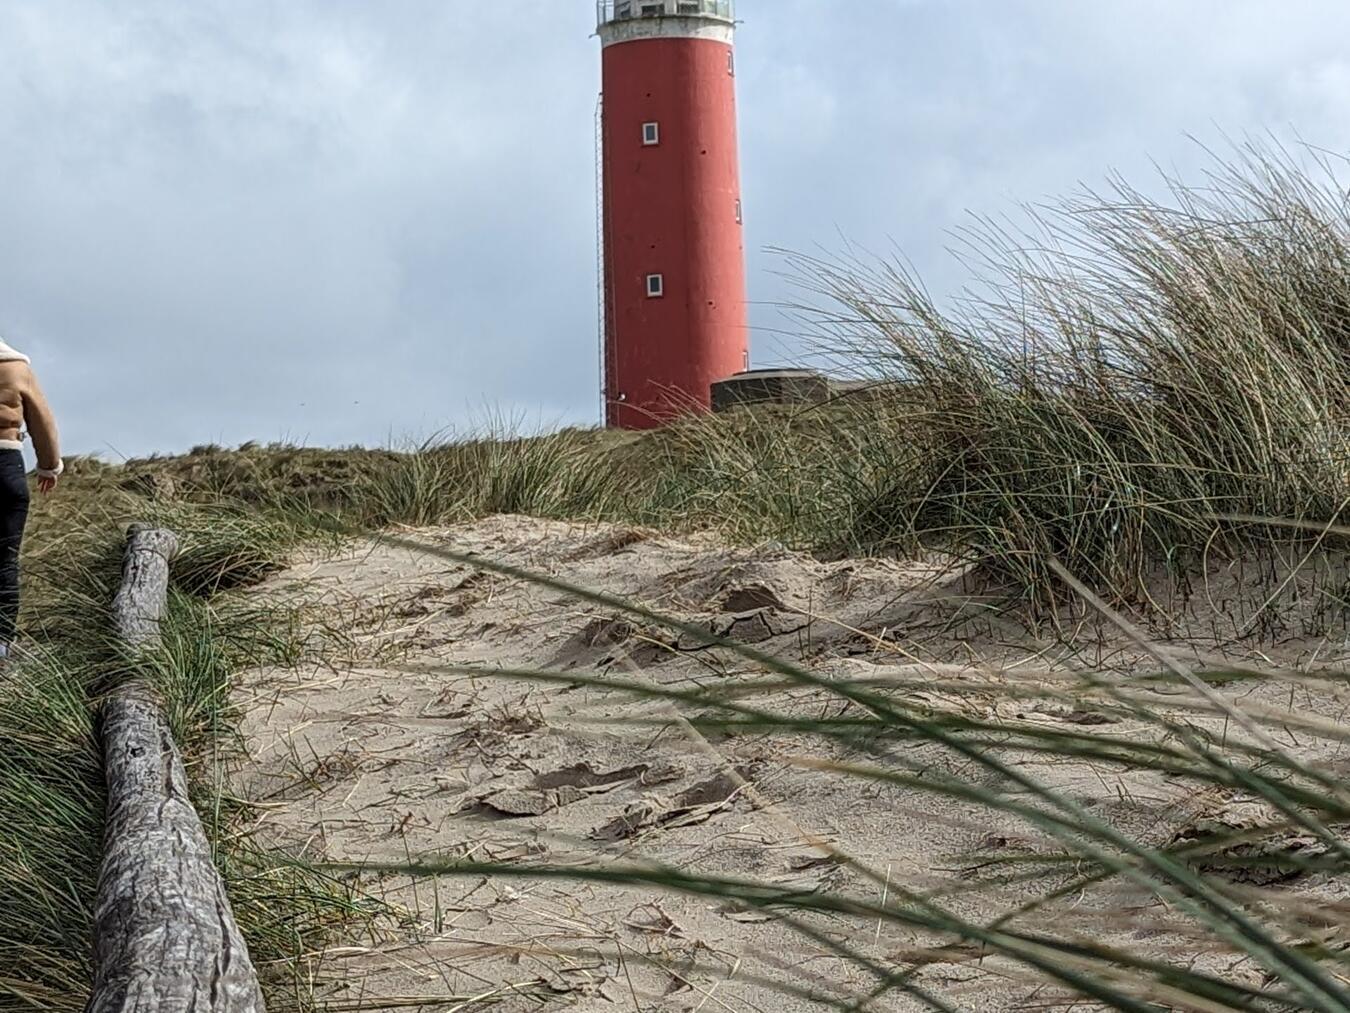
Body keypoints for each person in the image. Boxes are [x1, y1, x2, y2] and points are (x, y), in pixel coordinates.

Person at [0, 338, 60, 659]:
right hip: (8, 470)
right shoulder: (17, 368)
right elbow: (42, 420)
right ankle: (1, 645)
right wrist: (49, 467)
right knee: (5, 561)